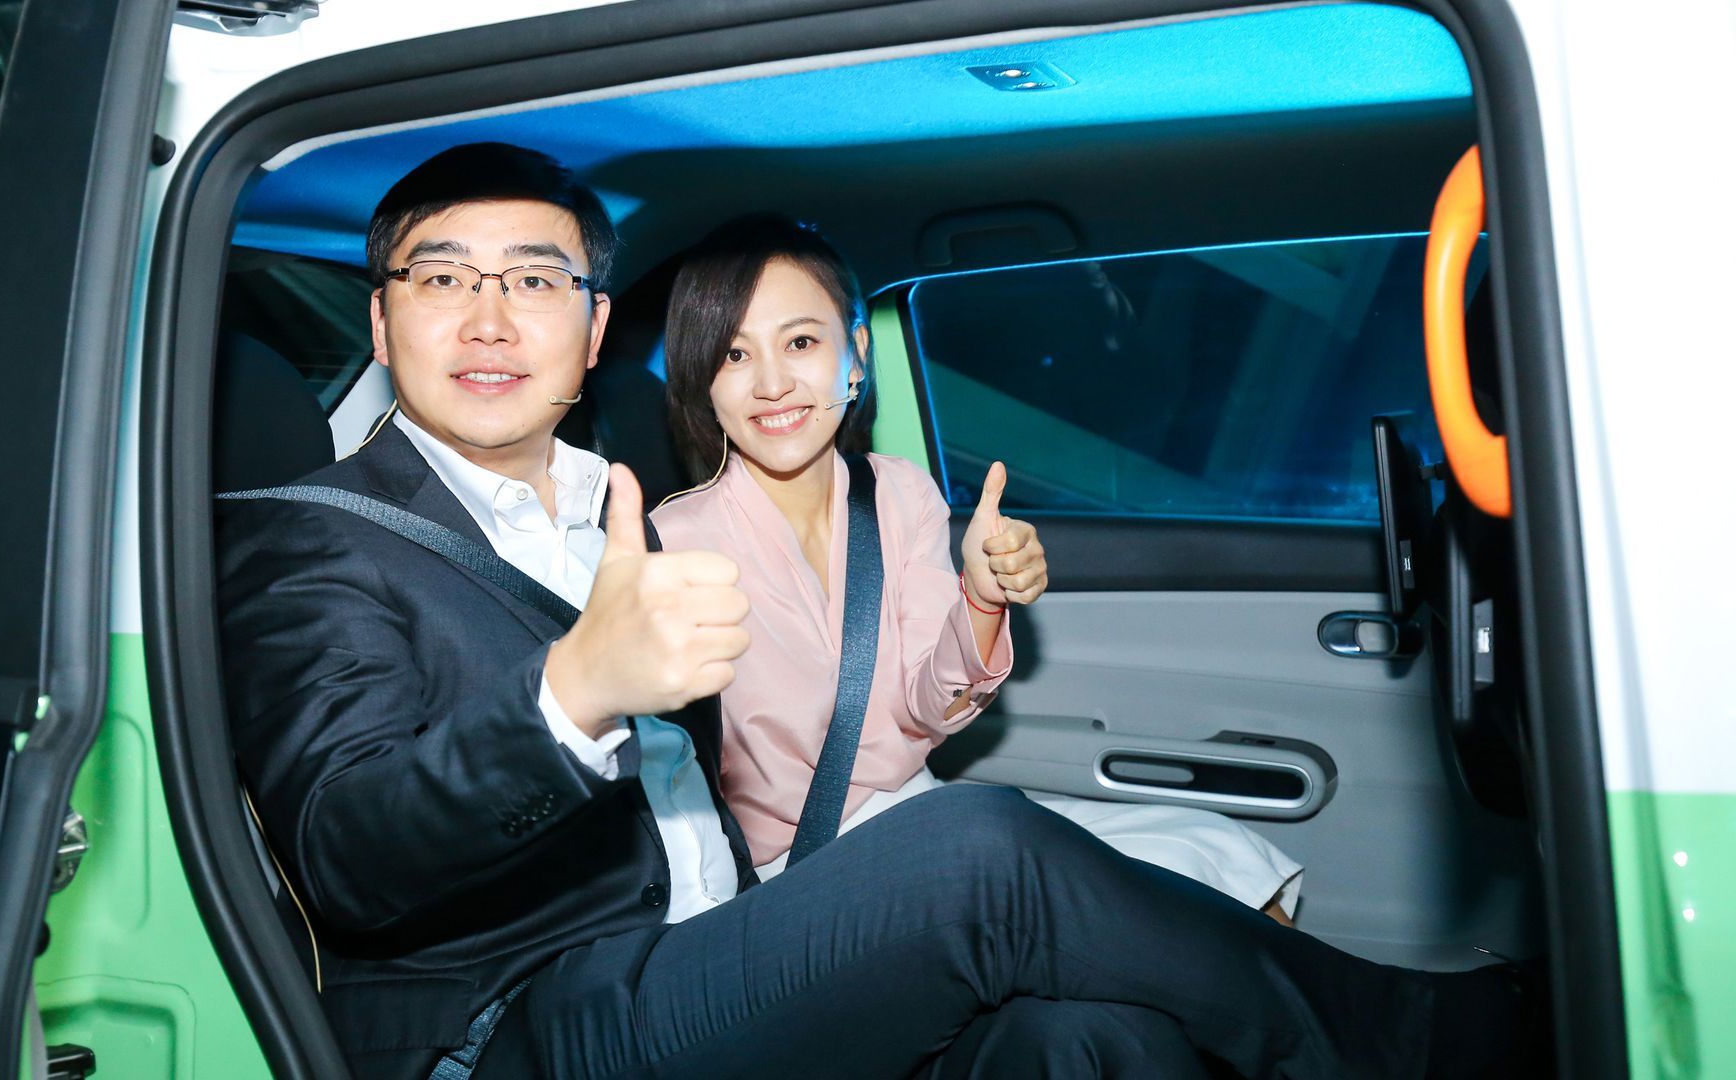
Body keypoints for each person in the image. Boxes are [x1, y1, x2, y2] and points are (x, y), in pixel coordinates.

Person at [216, 141, 1538, 1080]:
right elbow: (348, 850)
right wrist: (575, 695)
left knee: (1094, 1040)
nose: (491, 318)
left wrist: (972, 603)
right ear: (382, 324)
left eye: (534, 280)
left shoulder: (610, 505)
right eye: (444, 279)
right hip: (522, 1022)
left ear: (594, 326)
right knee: (972, 848)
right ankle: (1412, 1045)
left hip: (715, 954)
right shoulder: (310, 541)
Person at [650, 215, 1304, 923]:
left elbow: (928, 709)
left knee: (1218, 857)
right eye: (734, 354)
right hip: (796, 874)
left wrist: (982, 602)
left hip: (926, 812)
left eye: (800, 342)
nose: (773, 383)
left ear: (856, 355)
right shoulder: (668, 546)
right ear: (704, 380)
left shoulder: (898, 492)